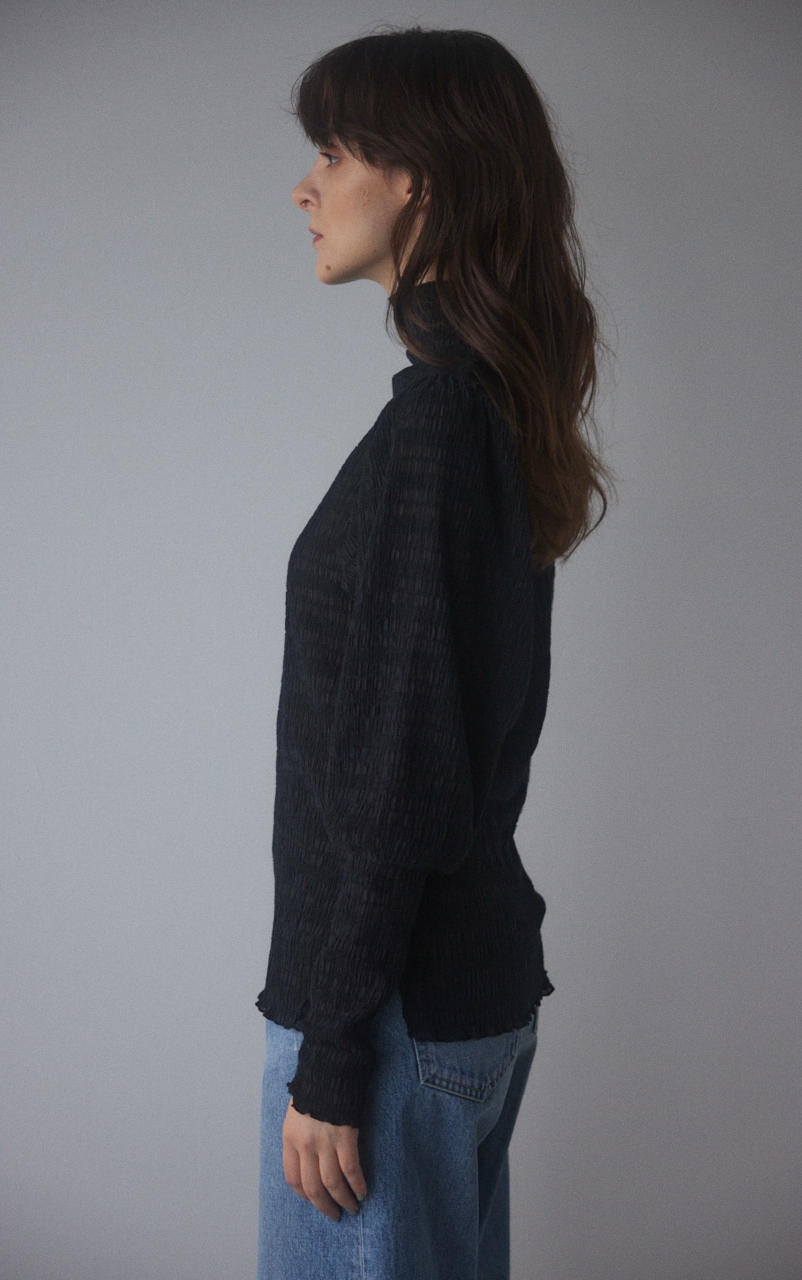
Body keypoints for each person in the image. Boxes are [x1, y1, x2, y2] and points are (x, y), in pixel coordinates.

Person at [255, 25, 612, 1280]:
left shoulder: (441, 427)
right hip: (454, 999)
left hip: (390, 1024)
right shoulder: (486, 410)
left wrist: (333, 1054)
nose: (305, 188)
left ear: (415, 175)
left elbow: (400, 772)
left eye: (333, 153)